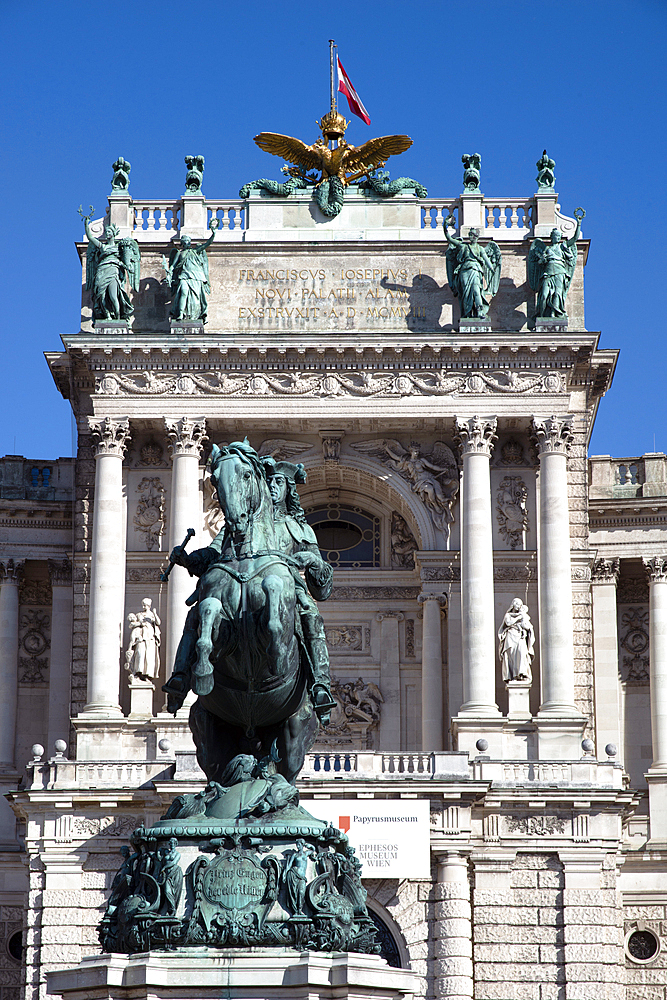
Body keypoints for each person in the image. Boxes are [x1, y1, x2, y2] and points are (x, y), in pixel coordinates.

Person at [163, 445, 336, 725]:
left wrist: (313, 563)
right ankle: (181, 676)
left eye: (279, 482)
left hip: (287, 595)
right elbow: (211, 556)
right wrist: (187, 559)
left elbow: (322, 589)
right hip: (237, 594)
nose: (273, 486)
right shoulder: (233, 531)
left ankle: (320, 685)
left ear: (289, 489)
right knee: (199, 612)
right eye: (269, 482)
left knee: (310, 614)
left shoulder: (298, 528)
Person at [443, 215, 501, 319]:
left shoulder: (480, 249)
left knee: (476, 290)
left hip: (476, 271)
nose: (471, 237)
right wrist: (445, 225)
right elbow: (449, 239)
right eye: (470, 235)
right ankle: (467, 313)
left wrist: (493, 269)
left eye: (473, 235)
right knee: (466, 293)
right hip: (464, 271)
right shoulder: (463, 246)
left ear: (477, 237)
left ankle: (479, 310)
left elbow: (488, 262)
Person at [527, 211, 583, 318]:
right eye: (555, 236)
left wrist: (579, 223)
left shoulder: (563, 246)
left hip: (559, 272)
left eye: (558, 236)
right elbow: (539, 262)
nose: (557, 238)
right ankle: (542, 315)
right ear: (551, 237)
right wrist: (542, 259)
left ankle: (554, 313)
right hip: (547, 273)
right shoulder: (547, 249)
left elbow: (575, 238)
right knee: (544, 295)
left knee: (557, 294)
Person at [163, 218, 219, 322]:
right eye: (185, 241)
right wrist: (169, 273)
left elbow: (207, 244)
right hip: (184, 276)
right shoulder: (179, 254)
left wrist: (213, 233)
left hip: (196, 277)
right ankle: (180, 313)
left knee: (196, 297)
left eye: (188, 241)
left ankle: (195, 314)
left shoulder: (195, 251)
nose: (187, 243)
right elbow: (173, 266)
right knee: (183, 292)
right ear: (182, 243)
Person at [84, 217, 140, 321]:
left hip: (113, 271)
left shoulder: (119, 248)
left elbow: (124, 262)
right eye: (106, 232)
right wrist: (86, 225)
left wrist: (128, 266)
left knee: (113, 296)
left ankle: (118, 318)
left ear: (114, 233)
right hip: (101, 271)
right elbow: (91, 238)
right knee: (101, 296)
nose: (107, 233)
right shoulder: (102, 247)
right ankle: (107, 316)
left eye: (109, 231)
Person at [498, 598, 535, 683]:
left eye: (521, 605)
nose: (519, 606)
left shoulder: (523, 616)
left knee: (521, 653)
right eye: (518, 604)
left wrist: (527, 629)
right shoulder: (508, 615)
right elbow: (508, 623)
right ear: (513, 604)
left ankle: (521, 674)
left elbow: (528, 626)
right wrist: (518, 617)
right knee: (510, 657)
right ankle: (513, 676)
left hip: (520, 637)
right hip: (510, 636)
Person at [125, 598, 161, 680]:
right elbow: (131, 625)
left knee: (149, 657)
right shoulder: (139, 615)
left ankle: (147, 676)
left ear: (149, 605)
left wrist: (155, 614)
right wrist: (140, 623)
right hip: (141, 638)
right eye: (143, 605)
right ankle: (138, 673)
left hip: (150, 638)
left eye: (145, 605)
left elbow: (158, 622)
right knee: (140, 654)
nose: (144, 606)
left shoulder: (152, 615)